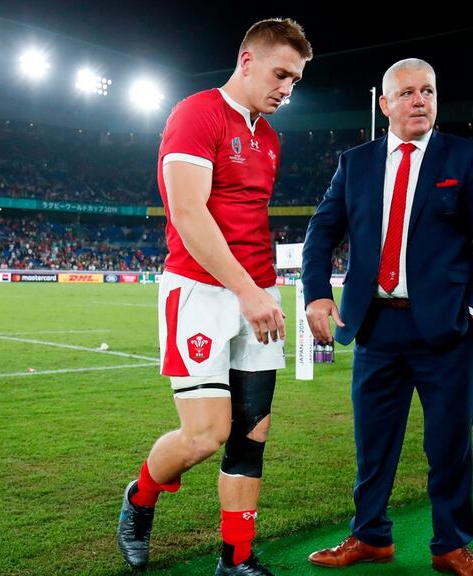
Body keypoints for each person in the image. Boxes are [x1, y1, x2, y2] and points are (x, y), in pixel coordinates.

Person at [115, 18, 312, 576]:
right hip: (201, 292)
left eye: (295, 81)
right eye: (280, 74)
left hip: (258, 294)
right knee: (206, 435)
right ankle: (141, 498)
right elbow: (188, 212)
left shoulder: (269, 138)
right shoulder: (195, 114)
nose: (286, 89)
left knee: (251, 436)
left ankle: (237, 561)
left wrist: (261, 290)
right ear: (246, 60)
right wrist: (248, 290)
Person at [301, 58, 473, 576]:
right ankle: (370, 536)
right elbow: (321, 232)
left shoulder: (465, 158)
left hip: (447, 330)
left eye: (428, 91)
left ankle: (451, 545)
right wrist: (315, 294)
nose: (420, 101)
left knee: (450, 444)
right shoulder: (356, 163)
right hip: (373, 326)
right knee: (373, 444)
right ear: (385, 104)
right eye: (408, 93)